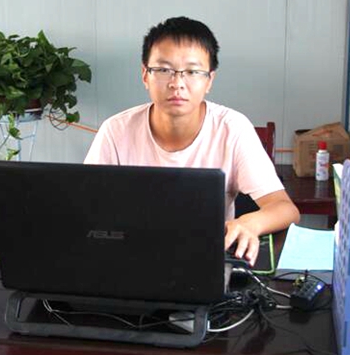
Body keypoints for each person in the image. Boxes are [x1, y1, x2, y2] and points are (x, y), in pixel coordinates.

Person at [84, 16, 300, 265]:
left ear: (209, 80)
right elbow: (87, 208)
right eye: (163, 70)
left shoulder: (233, 129)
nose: (177, 84)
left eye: (192, 72)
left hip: (207, 259)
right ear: (145, 75)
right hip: (130, 258)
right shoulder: (116, 131)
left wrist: (249, 223)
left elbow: (285, 209)